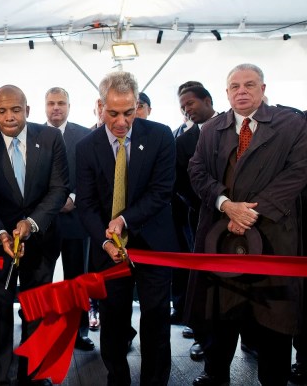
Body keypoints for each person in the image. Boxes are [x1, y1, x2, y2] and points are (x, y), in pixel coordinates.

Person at [187, 64, 307, 386]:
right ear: (226, 92)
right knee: (220, 313)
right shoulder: (212, 129)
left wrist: (250, 213)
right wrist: (226, 205)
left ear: (263, 89)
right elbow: (197, 171)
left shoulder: (291, 124)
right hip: (221, 236)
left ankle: (274, 378)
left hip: (273, 236)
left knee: (273, 316)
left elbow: (298, 172)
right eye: (235, 86)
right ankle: (215, 374)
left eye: (249, 85)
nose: (242, 91)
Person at [76, 71, 177, 386]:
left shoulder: (160, 136)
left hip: (153, 245)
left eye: (129, 112)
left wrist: (124, 220)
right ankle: (117, 378)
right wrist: (105, 241)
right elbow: (86, 205)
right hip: (108, 250)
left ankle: (154, 381)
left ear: (138, 106)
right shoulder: (86, 147)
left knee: (156, 317)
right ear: (100, 106)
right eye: (113, 113)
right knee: (113, 319)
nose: (121, 121)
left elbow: (162, 191)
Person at [0, 84, 69, 385]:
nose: (9, 117)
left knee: (36, 309)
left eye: (15, 110)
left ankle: (34, 374)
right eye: (1, 111)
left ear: (27, 110)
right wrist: (1, 233)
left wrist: (32, 222)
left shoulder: (51, 138)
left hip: (41, 239)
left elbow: (59, 189)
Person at [44, 86, 94, 350]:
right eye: (51, 103)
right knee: (40, 277)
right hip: (42, 221)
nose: (56, 107)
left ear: (69, 106)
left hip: (76, 219)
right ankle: (38, 327)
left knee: (77, 279)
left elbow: (92, 175)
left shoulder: (85, 136)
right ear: (45, 106)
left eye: (61, 103)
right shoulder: (33, 134)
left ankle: (79, 332)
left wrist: (74, 197)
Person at [171, 82, 217, 361]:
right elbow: (179, 183)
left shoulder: (235, 129)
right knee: (201, 279)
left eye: (191, 103)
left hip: (244, 217)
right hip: (199, 218)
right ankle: (203, 338)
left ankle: (251, 339)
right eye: (182, 106)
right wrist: (204, 204)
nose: (187, 110)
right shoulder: (183, 142)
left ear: (208, 100)